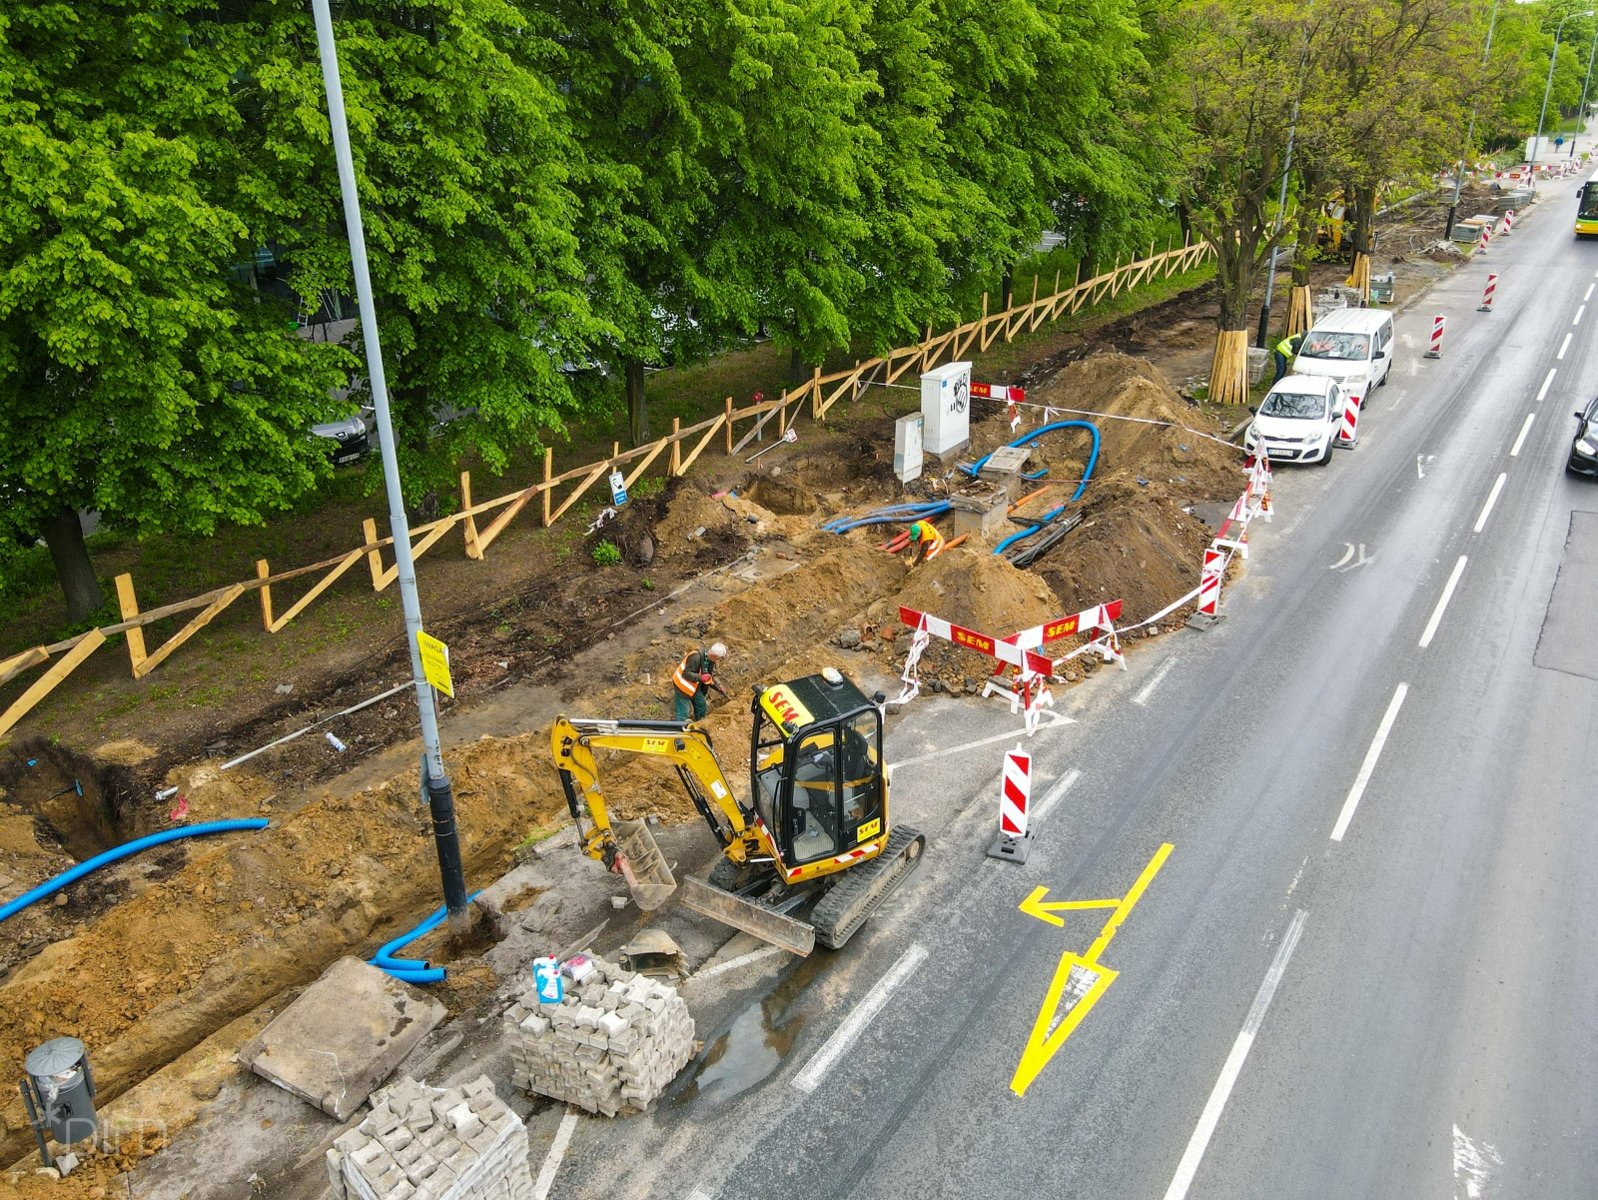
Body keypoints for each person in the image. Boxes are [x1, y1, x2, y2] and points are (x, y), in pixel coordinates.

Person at [672, 642, 728, 720]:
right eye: (718, 658)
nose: (717, 660)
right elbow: (686, 674)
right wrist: (701, 677)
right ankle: (679, 728)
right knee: (683, 712)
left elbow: (710, 675)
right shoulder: (696, 657)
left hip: (693, 685)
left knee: (701, 705)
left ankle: (699, 723)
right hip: (681, 685)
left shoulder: (709, 660)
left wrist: (719, 686)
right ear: (714, 656)